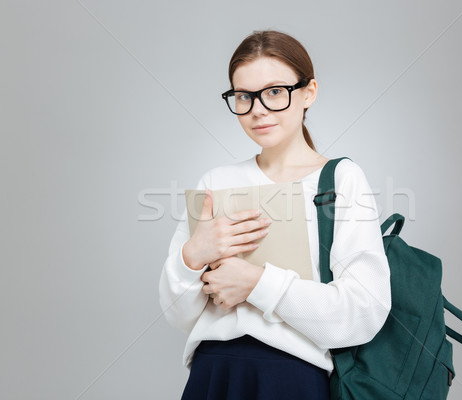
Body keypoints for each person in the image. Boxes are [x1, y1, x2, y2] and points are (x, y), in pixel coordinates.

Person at [159, 29, 391, 400]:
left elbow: (362, 313)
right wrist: (191, 258)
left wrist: (256, 283)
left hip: (294, 377)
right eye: (243, 97)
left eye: (274, 92)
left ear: (308, 93)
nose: (258, 110)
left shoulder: (341, 180)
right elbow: (178, 315)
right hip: (212, 373)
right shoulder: (216, 182)